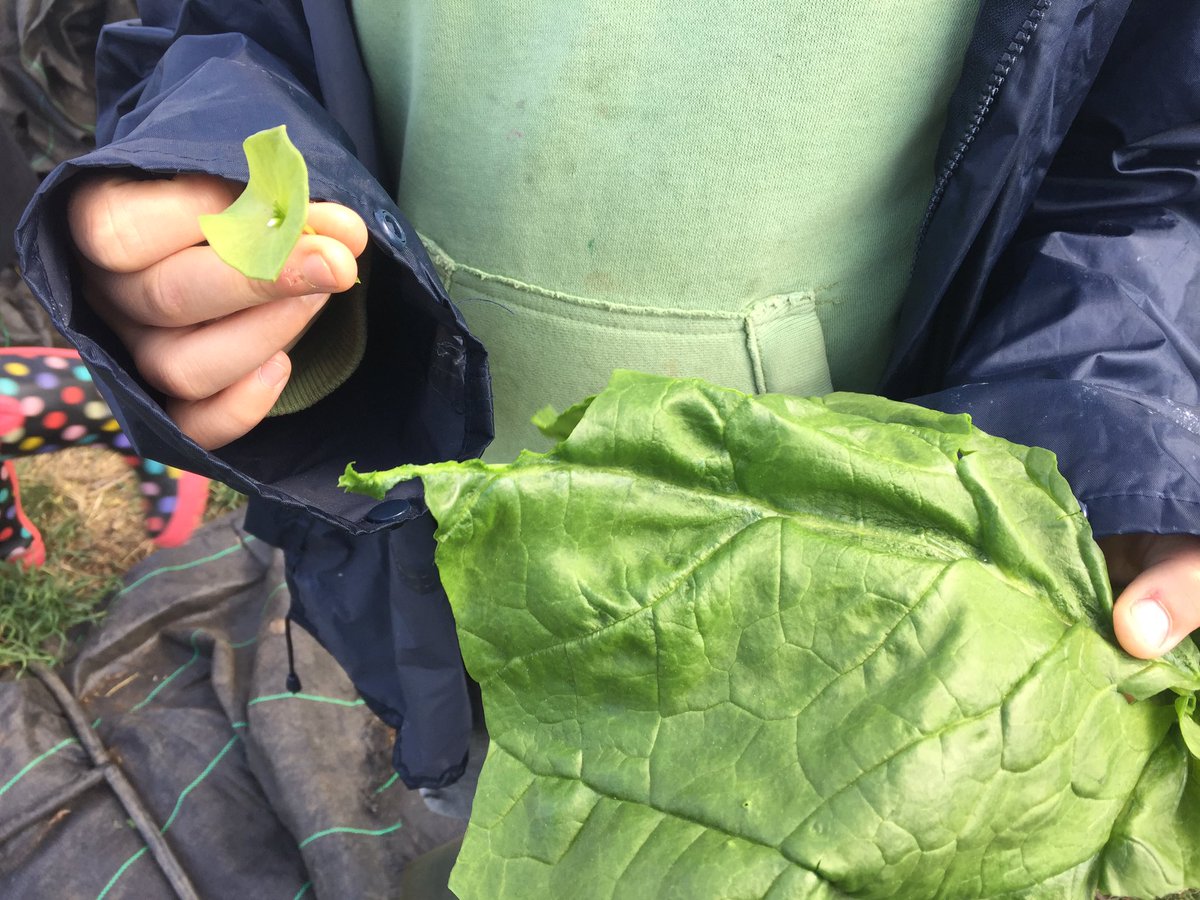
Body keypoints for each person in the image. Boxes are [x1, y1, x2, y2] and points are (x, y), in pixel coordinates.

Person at [16, 0, 1200, 797]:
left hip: (872, 602)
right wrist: (203, 200)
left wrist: (1128, 432)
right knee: (495, 788)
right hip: (423, 530)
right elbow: (216, 32)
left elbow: (1154, 156)